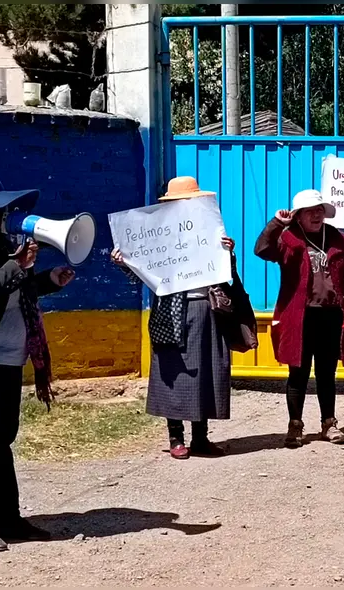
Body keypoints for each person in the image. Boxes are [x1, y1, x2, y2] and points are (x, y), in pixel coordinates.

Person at [0, 171, 76, 551]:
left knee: (2, 441)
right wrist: (13, 267)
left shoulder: (3, 246)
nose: (4, 212)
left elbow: (15, 291)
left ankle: (6, 517)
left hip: (7, 358)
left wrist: (49, 279)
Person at [112, 176, 236, 460]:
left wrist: (228, 252)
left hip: (206, 309)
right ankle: (176, 436)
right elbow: (140, 273)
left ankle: (201, 437)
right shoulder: (157, 235)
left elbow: (226, 272)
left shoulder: (210, 229)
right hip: (170, 312)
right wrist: (123, 262)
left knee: (205, 372)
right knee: (174, 372)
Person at [255, 189, 344, 448]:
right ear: (298, 216)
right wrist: (276, 224)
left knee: (327, 373)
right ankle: (295, 426)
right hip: (299, 316)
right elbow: (261, 249)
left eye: (320, 211)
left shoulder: (341, 240)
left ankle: (329, 423)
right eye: (310, 211)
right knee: (298, 372)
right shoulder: (287, 239)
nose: (316, 215)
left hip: (331, 314)